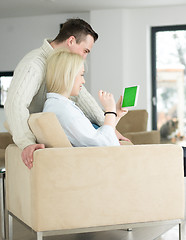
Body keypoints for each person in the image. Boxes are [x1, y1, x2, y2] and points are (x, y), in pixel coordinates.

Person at [43, 49, 186, 176]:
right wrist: (109, 111)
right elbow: (102, 143)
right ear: (67, 75)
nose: (83, 81)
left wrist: (117, 114)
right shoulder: (62, 110)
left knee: (165, 159)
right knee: (165, 155)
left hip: (107, 159)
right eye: (81, 75)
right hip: (111, 163)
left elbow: (95, 139)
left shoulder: (58, 106)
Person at [5, 18, 129, 169]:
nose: (84, 57)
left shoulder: (65, 71)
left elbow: (83, 98)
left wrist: (110, 126)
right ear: (71, 41)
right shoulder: (34, 64)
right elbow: (14, 104)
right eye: (85, 51)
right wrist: (27, 143)